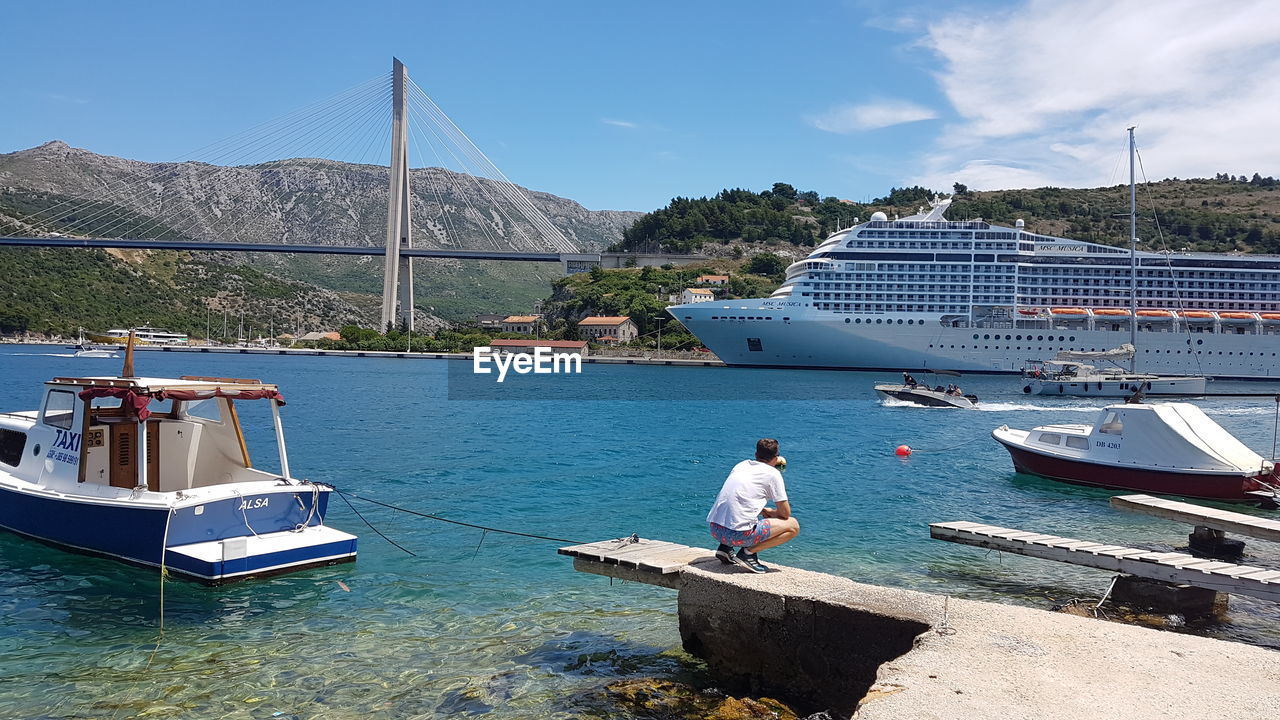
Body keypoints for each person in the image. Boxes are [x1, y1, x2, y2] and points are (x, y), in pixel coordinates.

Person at [706, 438, 800, 573]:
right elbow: (785, 513)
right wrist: (770, 512)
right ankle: (747, 554)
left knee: (741, 515)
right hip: (737, 536)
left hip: (715, 529)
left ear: (756, 455)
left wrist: (763, 511)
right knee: (793, 525)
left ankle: (725, 549)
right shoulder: (773, 474)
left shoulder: (741, 465)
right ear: (776, 457)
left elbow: (738, 498)